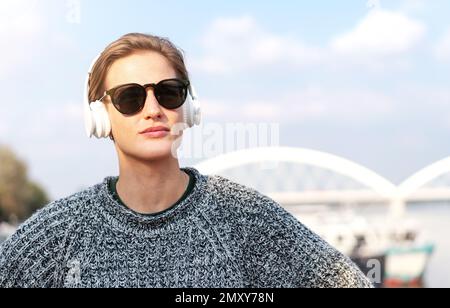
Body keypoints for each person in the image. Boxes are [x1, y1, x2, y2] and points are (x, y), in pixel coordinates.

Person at [0, 33, 372, 288]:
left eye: (169, 93)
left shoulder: (243, 216)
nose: (153, 110)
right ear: (99, 118)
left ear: (189, 107)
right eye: (130, 98)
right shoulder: (60, 232)